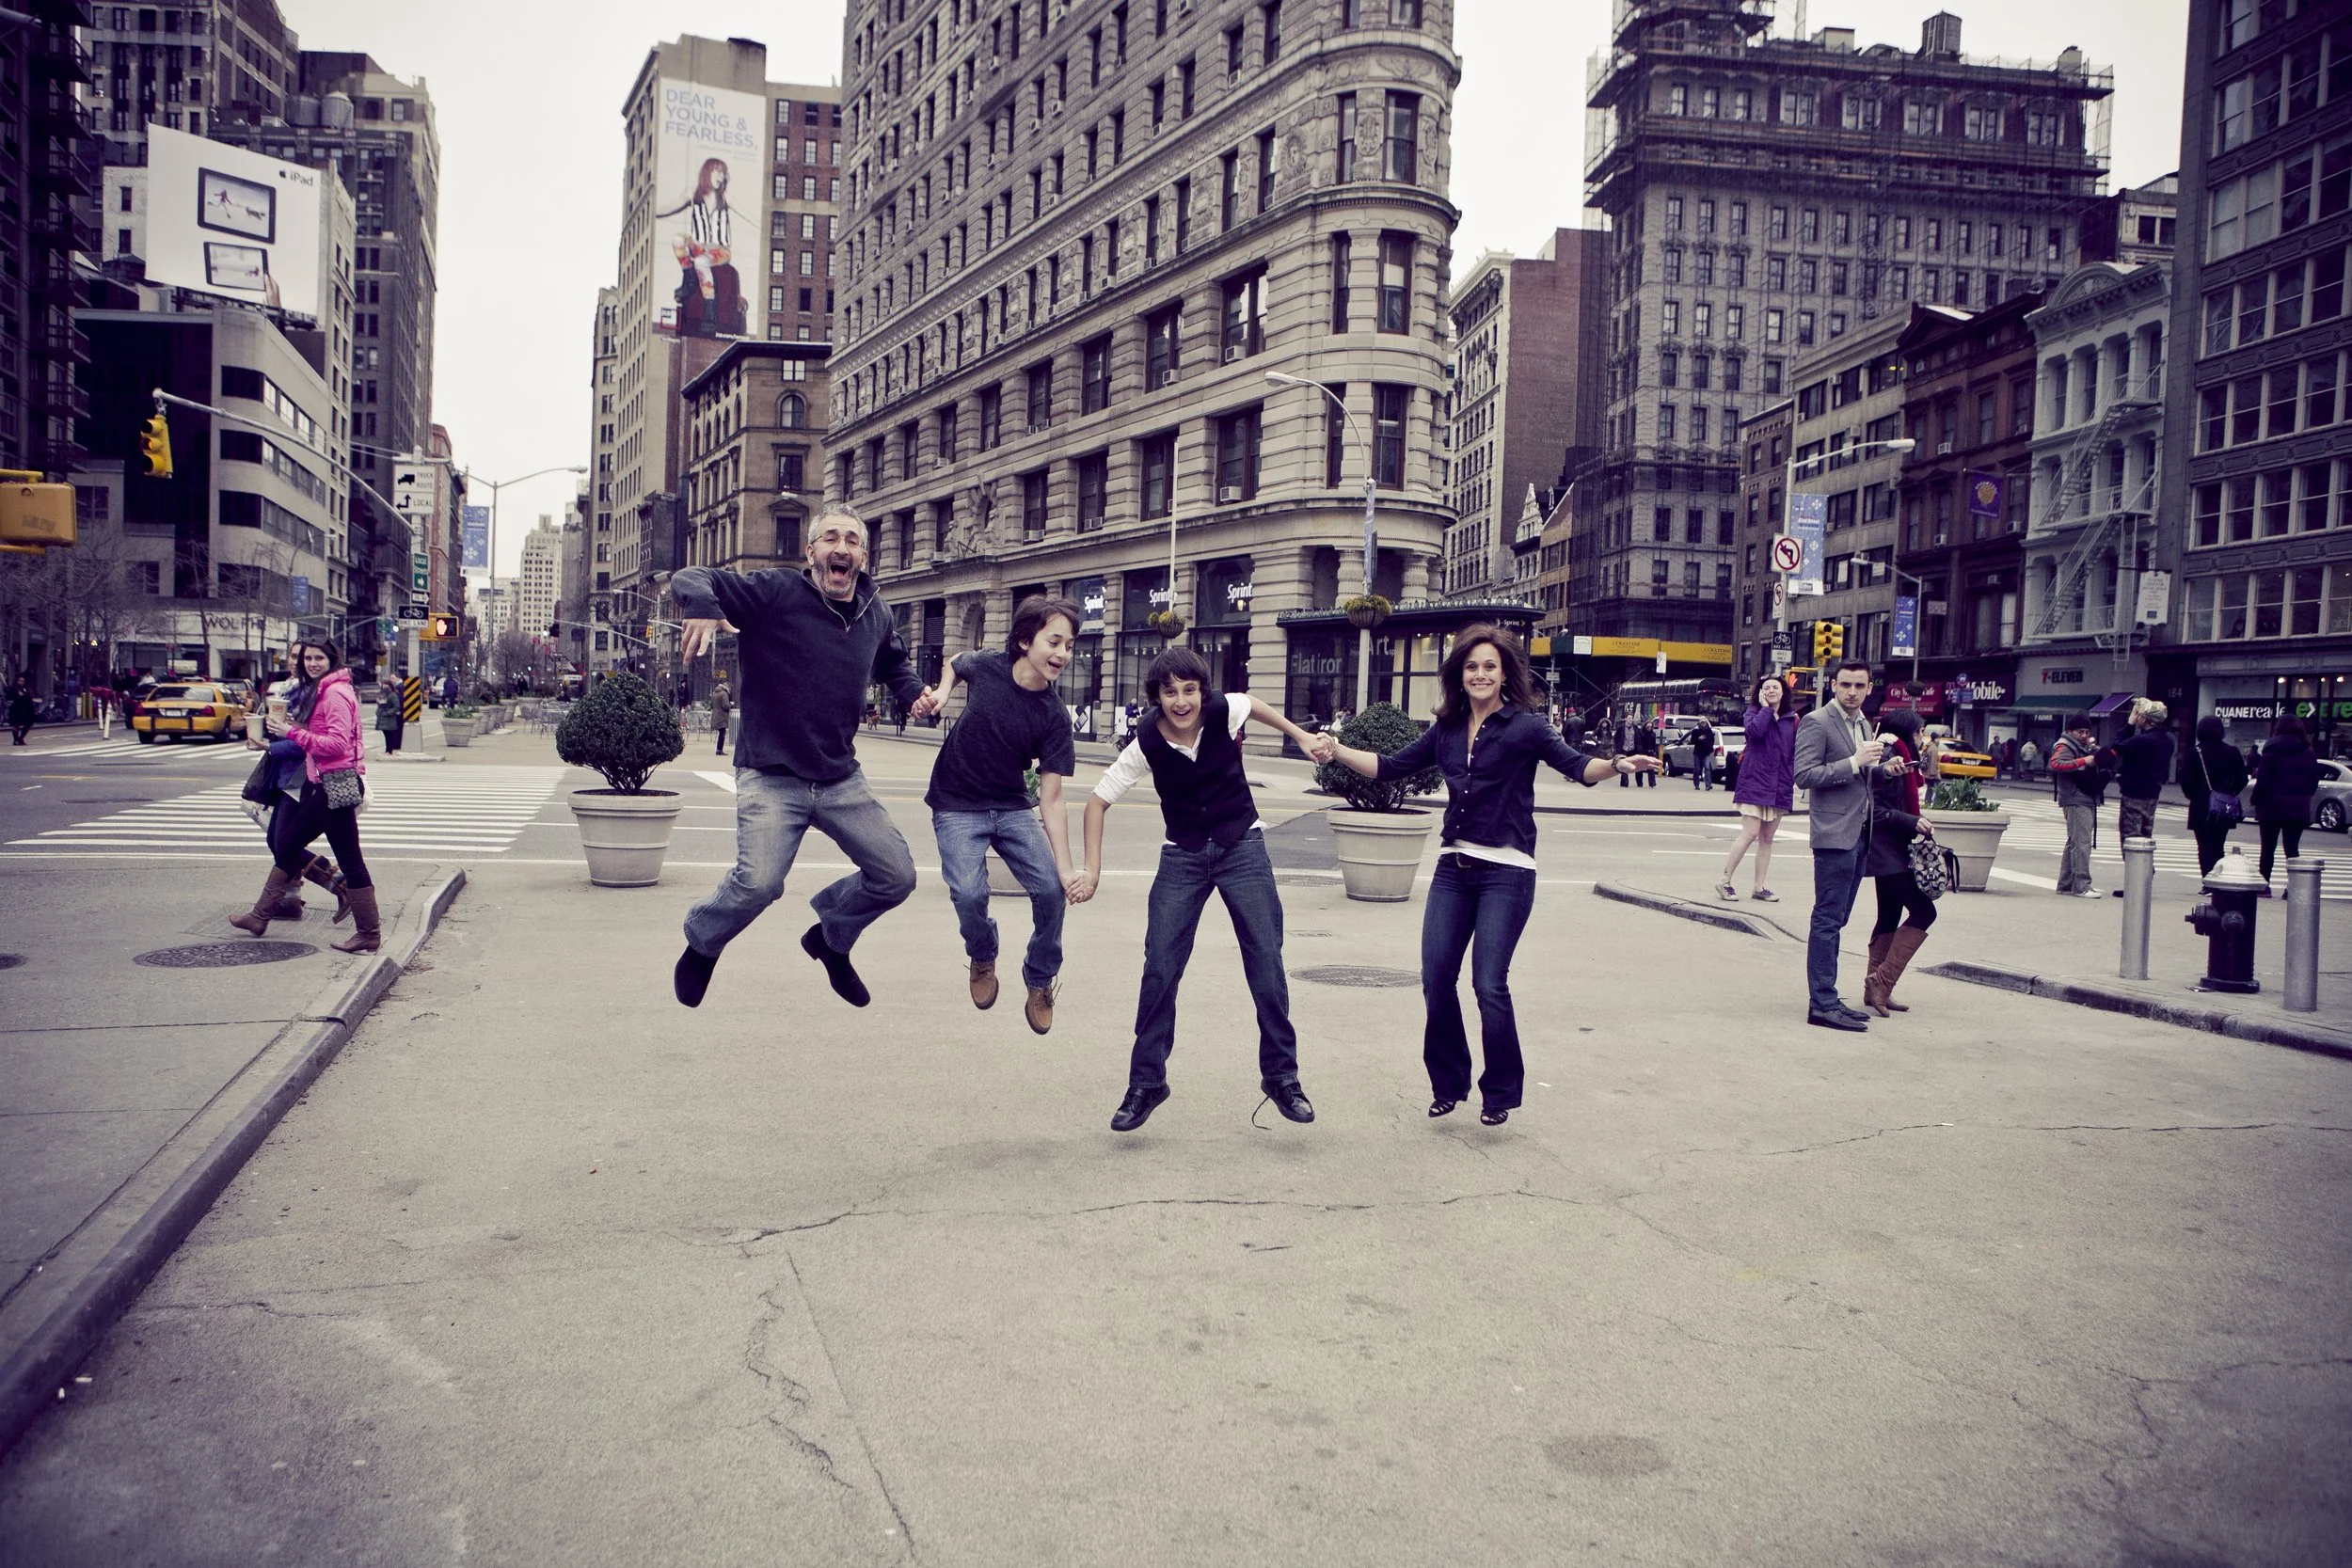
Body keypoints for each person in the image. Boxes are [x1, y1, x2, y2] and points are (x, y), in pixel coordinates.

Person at [1327, 626, 1654, 1126]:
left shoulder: (1527, 726)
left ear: (1505, 675)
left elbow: (1577, 766)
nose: (1480, 674)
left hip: (1507, 872)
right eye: (1472, 666)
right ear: (1459, 674)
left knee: (1488, 984)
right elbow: (1390, 766)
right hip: (1453, 869)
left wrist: (1616, 765)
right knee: (1436, 978)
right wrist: (1338, 751)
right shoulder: (1447, 729)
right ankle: (1448, 1084)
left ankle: (1500, 1092)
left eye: (1490, 667)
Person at [670, 507, 932, 1010]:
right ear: (811, 552)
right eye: (830, 538)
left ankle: (832, 938)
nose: (842, 548)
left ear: (862, 556)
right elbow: (692, 575)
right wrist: (701, 604)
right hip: (772, 774)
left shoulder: (875, 610)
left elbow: (892, 661)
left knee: (896, 875)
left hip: (839, 777)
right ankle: (703, 943)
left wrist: (914, 692)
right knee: (759, 884)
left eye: (852, 541)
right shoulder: (777, 592)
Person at [1077, 646, 1330, 1132]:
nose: (1181, 701)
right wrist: (1091, 871)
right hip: (1183, 856)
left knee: (1266, 960)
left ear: (1202, 691)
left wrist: (1299, 736)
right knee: (1160, 969)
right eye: (1170, 692)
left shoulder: (1221, 710)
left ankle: (1282, 1077)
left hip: (1242, 846)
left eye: (1189, 689)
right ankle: (1147, 1083)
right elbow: (1095, 802)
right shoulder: (1145, 742)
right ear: (1156, 698)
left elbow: (1253, 704)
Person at [924, 595, 1083, 1033]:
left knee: (1050, 892)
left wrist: (1066, 870)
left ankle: (1039, 977)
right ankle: (982, 952)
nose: (1063, 654)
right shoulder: (990, 665)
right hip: (956, 804)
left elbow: (1051, 799)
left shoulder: (1053, 717)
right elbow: (956, 661)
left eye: (1069, 646)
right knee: (970, 894)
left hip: (1012, 807)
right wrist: (941, 692)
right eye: (1055, 642)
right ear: (1026, 640)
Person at [227, 641, 379, 953]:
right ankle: (259, 916)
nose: (311, 663)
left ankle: (368, 932)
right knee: (286, 843)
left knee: (350, 859)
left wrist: (291, 733)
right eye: (307, 658)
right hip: (320, 784)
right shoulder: (321, 690)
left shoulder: (334, 694)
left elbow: (336, 744)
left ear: (331, 660)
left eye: (318, 657)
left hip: (335, 786)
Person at [1794, 659, 1889, 1031]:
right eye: (1846, 684)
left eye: (1859, 685)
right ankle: (1822, 1004)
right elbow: (1804, 775)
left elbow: (1861, 775)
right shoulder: (1817, 722)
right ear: (1834, 685)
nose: (1852, 691)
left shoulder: (1863, 723)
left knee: (1838, 919)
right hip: (1833, 833)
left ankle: (1829, 996)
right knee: (1827, 919)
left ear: (1869, 688)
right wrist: (1853, 761)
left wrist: (1882, 769)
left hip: (1859, 832)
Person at [1862, 708, 1937, 1017]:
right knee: (1924, 911)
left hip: (1889, 849)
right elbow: (1873, 810)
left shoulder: (1896, 752)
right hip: (1886, 850)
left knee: (1889, 916)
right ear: (1907, 731)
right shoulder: (1890, 755)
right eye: (1919, 731)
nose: (1921, 737)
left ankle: (1873, 991)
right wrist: (1912, 821)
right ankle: (1881, 981)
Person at [1720, 673, 1797, 902]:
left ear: (1783, 691)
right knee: (1750, 832)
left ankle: (1759, 887)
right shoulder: (1753, 713)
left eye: (1775, 687)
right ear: (1760, 693)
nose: (1771, 691)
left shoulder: (1792, 719)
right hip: (1755, 780)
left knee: (1767, 838)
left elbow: (1793, 752)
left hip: (1780, 783)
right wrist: (1766, 709)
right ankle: (1724, 881)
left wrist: (1791, 776)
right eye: (1766, 688)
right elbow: (1754, 733)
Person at [2250, 716, 2322, 894]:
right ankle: (2292, 887)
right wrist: (2302, 796)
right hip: (2297, 807)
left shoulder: (2271, 750)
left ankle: (2264, 885)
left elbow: (2263, 780)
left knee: (2267, 848)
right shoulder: (2308, 752)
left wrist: (2256, 799)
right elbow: (2313, 781)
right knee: (2292, 849)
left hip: (2271, 806)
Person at [2181, 715, 2249, 877]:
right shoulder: (2232, 752)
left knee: (2203, 845)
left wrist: (2194, 795)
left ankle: (2208, 879)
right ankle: (2219, 879)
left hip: (2200, 804)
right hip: (2223, 804)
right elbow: (2243, 779)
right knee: (2219, 844)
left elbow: (2185, 780)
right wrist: (2230, 792)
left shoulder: (2194, 753)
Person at [2048, 716, 2109, 897]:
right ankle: (2081, 886)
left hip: (2080, 797)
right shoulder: (2065, 745)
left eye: (2087, 732)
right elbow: (2055, 764)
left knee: (2074, 842)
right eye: (2080, 731)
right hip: (2076, 798)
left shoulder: (2077, 746)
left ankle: (2066, 884)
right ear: (2070, 731)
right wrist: (2084, 761)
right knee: (2082, 843)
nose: (2084, 735)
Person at [2113, 699, 2174, 847]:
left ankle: (2137, 869)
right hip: (2153, 793)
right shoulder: (2168, 739)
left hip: (2134, 793)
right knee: (2146, 837)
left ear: (2145, 719)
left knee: (2131, 840)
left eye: (2139, 715)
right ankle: (2145, 869)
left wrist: (2129, 724)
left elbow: (2117, 746)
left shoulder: (2142, 741)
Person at [375, 673, 405, 754]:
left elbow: (396, 706)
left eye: (386, 685)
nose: (384, 687)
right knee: (386, 734)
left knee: (390, 735)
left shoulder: (393, 695)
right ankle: (388, 749)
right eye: (383, 685)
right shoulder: (382, 695)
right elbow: (380, 705)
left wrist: (388, 713)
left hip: (389, 718)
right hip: (382, 718)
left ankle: (389, 750)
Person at [1688, 715, 1717, 790]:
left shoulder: (1709, 731)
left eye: (1704, 722)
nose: (1703, 724)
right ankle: (1696, 784)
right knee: (1697, 769)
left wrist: (1710, 747)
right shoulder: (1695, 731)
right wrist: (1698, 739)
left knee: (1707, 767)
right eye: (1702, 722)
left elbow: (1712, 741)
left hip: (1706, 753)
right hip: (1697, 752)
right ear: (1699, 723)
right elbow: (1692, 741)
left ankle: (1708, 785)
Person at [707, 678, 734, 757]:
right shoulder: (724, 694)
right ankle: (719, 750)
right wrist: (731, 704)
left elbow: (711, 705)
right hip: (722, 716)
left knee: (720, 733)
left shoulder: (714, 693)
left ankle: (719, 749)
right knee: (722, 733)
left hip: (715, 715)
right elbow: (725, 706)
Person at [1631, 716, 1659, 788]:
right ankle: (1639, 783)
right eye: (1648, 727)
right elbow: (1638, 743)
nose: (1649, 728)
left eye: (1650, 727)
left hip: (1650, 752)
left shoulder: (1653, 734)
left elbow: (1654, 744)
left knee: (1651, 768)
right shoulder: (1641, 733)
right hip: (1642, 752)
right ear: (1645, 726)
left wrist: (1654, 752)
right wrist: (1640, 751)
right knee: (1639, 768)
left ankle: (1652, 783)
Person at [8, 677, 35, 745]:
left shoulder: (26, 689)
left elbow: (30, 697)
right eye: (20, 681)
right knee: (16, 724)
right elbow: (9, 696)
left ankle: (21, 738)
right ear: (17, 681)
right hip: (17, 708)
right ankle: (16, 740)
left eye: (23, 681)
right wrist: (17, 693)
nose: (22, 682)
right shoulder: (13, 688)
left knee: (28, 724)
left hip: (26, 709)